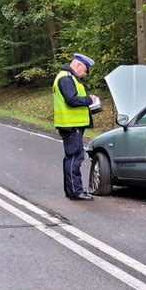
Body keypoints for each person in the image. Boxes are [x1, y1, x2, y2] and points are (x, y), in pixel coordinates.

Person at [53, 53, 98, 201]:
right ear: (78, 65)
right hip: (71, 126)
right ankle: (76, 191)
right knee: (75, 157)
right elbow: (71, 100)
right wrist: (88, 100)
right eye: (85, 70)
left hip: (71, 125)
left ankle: (72, 190)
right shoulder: (66, 78)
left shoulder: (68, 77)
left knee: (72, 157)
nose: (84, 74)